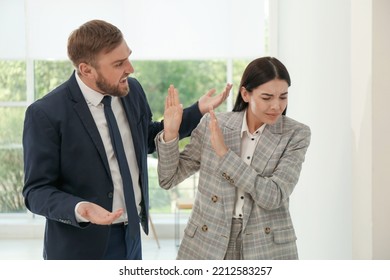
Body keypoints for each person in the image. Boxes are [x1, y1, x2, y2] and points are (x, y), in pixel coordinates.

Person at [22, 19, 231, 260]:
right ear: (86, 69)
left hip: (131, 237)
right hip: (79, 247)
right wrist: (80, 208)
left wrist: (197, 111)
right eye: (119, 63)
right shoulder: (46, 113)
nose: (130, 68)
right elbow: (36, 191)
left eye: (128, 57)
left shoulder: (131, 91)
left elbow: (146, 139)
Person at [155, 56, 311, 259]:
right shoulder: (213, 124)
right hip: (206, 240)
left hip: (265, 246)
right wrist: (170, 134)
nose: (276, 106)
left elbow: (273, 196)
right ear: (245, 94)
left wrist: (225, 155)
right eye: (267, 97)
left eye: (283, 97)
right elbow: (168, 179)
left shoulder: (296, 134)